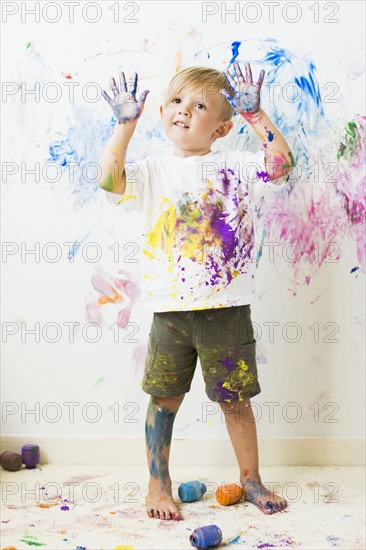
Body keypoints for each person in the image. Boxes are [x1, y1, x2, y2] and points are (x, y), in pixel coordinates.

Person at [98, 62, 295, 521]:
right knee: (163, 400)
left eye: (200, 105)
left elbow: (281, 166)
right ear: (162, 110)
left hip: (226, 311)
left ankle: (251, 479)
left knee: (236, 401)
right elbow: (108, 179)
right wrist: (124, 127)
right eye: (177, 101)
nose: (184, 110)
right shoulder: (149, 171)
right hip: (170, 313)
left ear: (222, 127)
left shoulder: (236, 164)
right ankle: (157, 484)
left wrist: (256, 116)